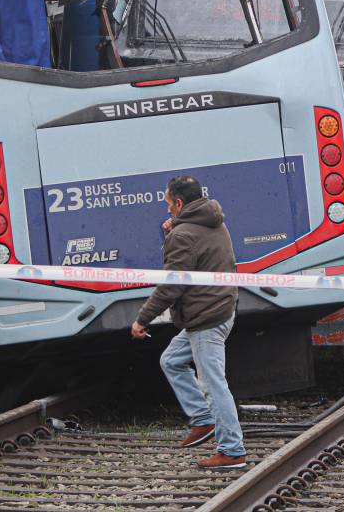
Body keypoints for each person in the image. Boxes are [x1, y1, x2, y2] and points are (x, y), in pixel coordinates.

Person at [131, 174, 246, 470]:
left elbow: (171, 285)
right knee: (171, 360)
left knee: (213, 385)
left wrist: (143, 319)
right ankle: (204, 419)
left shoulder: (182, 235)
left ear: (180, 203)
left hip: (205, 317)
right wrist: (174, 231)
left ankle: (232, 450)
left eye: (169, 204)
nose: (167, 209)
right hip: (220, 308)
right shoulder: (214, 220)